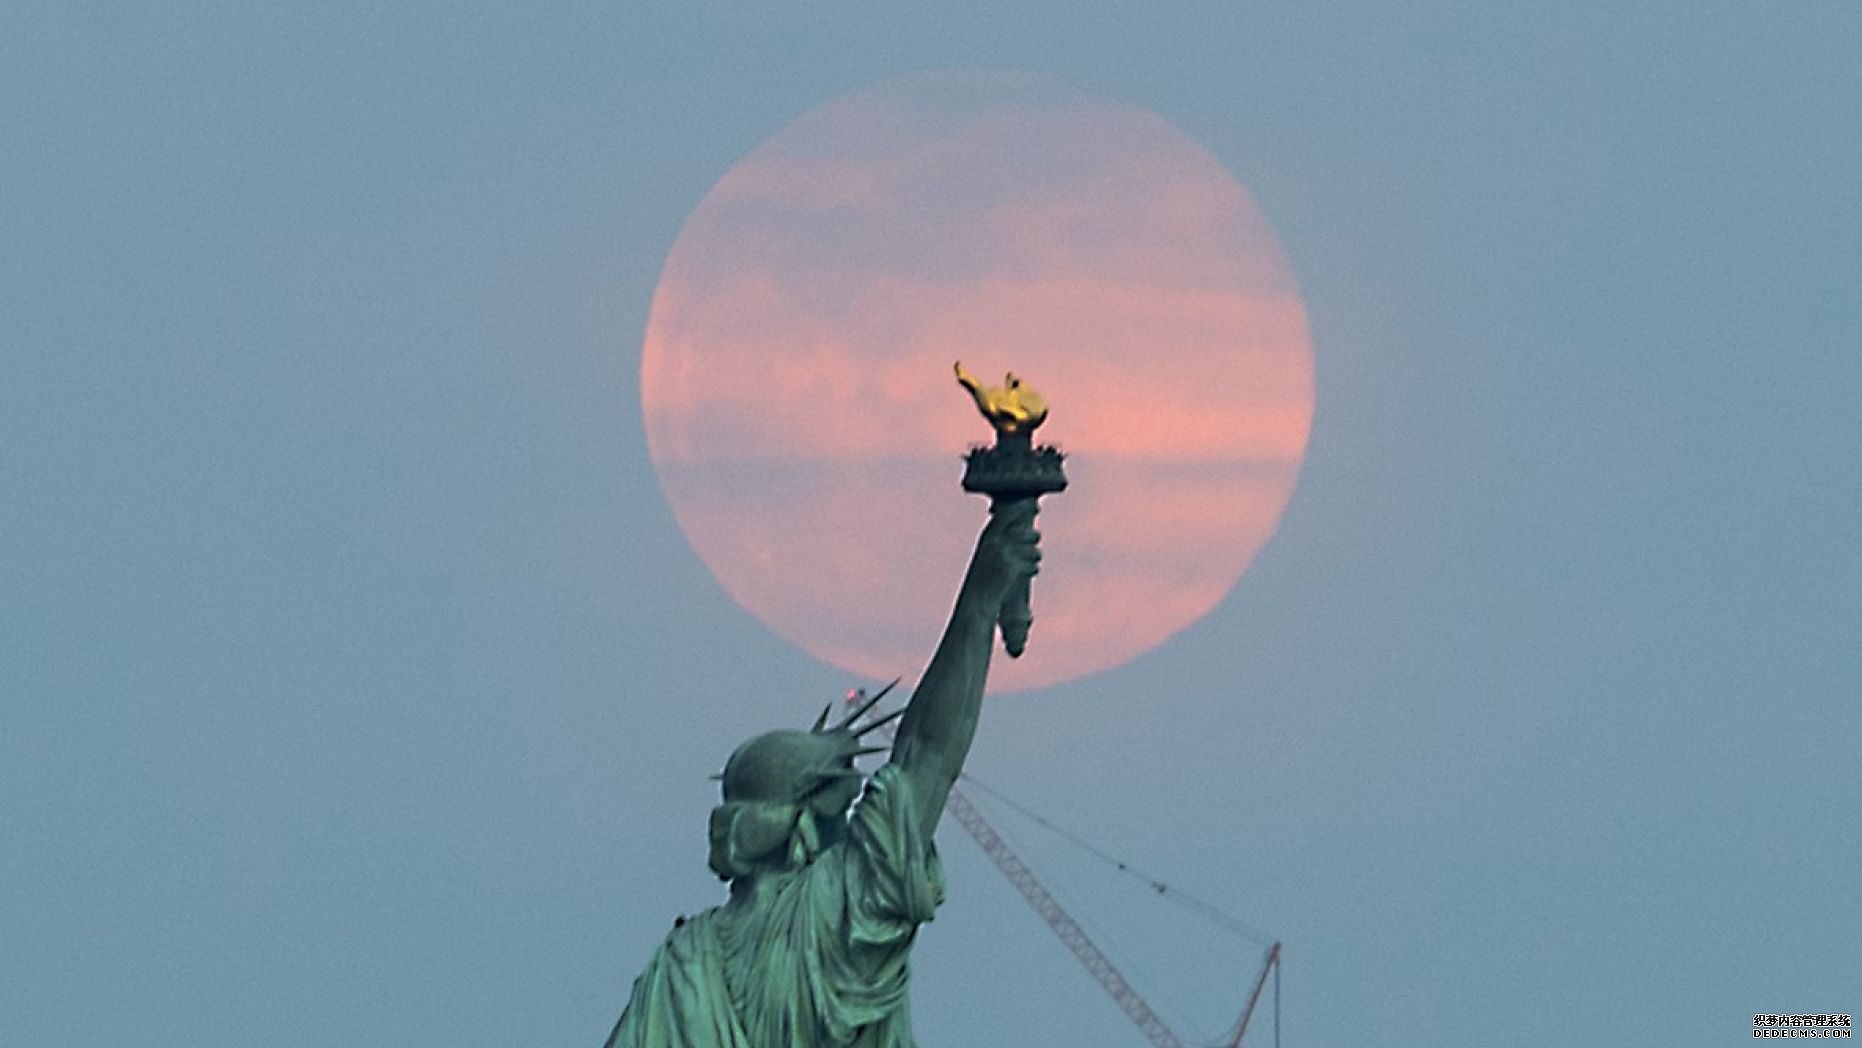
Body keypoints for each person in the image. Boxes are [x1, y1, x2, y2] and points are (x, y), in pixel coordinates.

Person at [604, 500, 1042, 1047]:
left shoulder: (682, 963)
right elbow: (928, 752)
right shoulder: (833, 913)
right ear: (804, 822)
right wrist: (979, 602)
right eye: (841, 805)